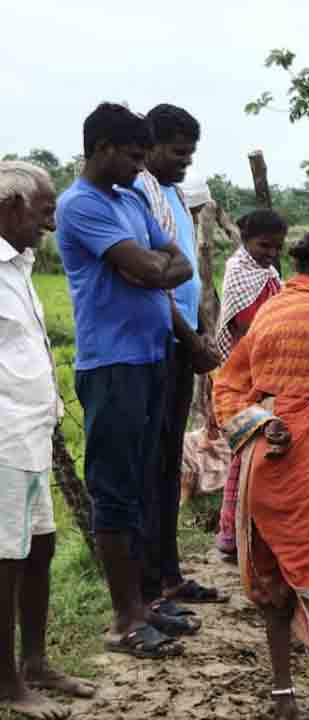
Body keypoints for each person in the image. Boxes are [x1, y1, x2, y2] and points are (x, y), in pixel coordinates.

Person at [213, 224, 309, 720]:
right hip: (302, 471)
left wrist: (262, 423)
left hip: (260, 463)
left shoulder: (272, 308)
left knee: (274, 580)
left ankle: (283, 696)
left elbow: (229, 385)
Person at [57, 103, 193, 660]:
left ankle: (145, 601)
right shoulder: (80, 205)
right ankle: (124, 619)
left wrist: (153, 270)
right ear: (102, 148)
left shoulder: (131, 198)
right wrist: (151, 269)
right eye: (133, 157)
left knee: (141, 484)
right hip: (112, 364)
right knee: (114, 490)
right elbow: (150, 266)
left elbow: (175, 264)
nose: (141, 168)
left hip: (151, 355)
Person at [1, 161, 96, 720]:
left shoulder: (19, 266)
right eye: (44, 210)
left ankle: (34, 663)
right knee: (5, 558)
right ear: (11, 206)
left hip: (32, 433)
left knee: (39, 547)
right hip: (4, 439)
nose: (51, 223)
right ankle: (7, 683)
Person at [133, 104, 227, 615]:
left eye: (190, 155)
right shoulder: (142, 191)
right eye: (177, 153)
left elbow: (188, 277)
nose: (185, 163)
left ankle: (168, 575)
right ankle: (148, 583)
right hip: (160, 344)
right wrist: (192, 341)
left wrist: (201, 334)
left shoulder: (172, 194)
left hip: (181, 343)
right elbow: (155, 282)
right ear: (149, 146)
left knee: (170, 464)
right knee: (152, 466)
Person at [212, 209, 287, 556]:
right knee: (245, 450)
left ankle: (257, 533)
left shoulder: (268, 274)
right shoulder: (239, 272)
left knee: (262, 453)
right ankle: (232, 531)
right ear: (246, 240)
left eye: (277, 247)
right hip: (246, 375)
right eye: (264, 245)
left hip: (269, 370)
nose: (271, 253)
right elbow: (245, 328)